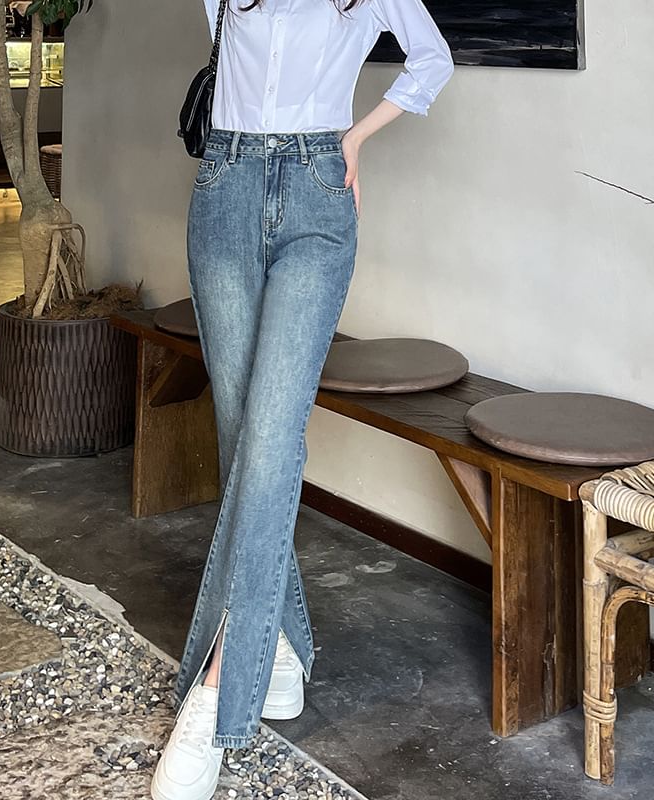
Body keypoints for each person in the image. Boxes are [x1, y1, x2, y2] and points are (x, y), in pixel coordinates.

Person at [151, 2, 454, 798]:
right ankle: (281, 648)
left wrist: (354, 138)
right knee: (240, 431)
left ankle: (219, 690)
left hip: (319, 196)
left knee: (272, 435)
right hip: (224, 186)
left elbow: (432, 59)